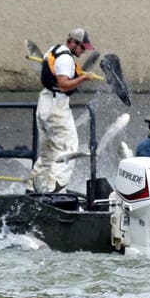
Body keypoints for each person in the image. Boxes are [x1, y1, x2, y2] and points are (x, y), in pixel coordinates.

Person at [29, 28, 97, 194]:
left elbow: (53, 72)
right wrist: (83, 78)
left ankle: (33, 190)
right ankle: (56, 192)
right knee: (68, 148)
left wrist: (77, 74)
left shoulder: (54, 50)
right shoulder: (66, 59)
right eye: (82, 47)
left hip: (44, 103)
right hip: (56, 107)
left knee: (48, 153)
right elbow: (63, 84)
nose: (84, 51)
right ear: (73, 43)